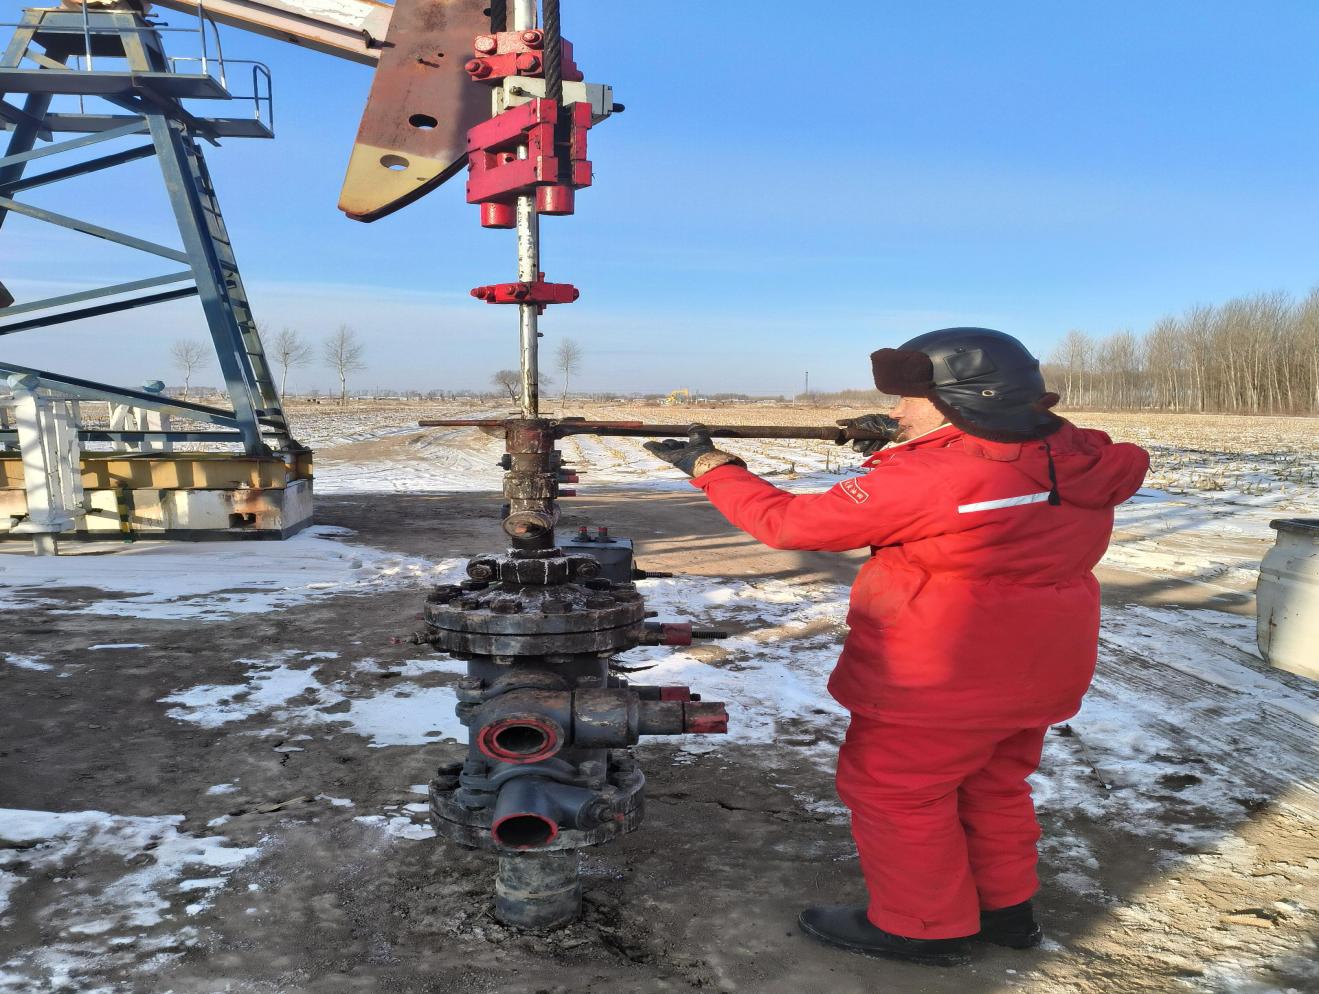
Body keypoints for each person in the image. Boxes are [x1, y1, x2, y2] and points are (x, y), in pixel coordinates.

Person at [644, 328, 1150, 967]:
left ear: (961, 401)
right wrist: (917, 437)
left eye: (913, 399)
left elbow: (791, 523)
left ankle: (923, 927)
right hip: (1038, 669)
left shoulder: (938, 475)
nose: (899, 410)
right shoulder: (1075, 453)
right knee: (993, 785)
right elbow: (997, 467)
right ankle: (1006, 912)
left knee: (897, 791)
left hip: (939, 674)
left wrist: (715, 471)